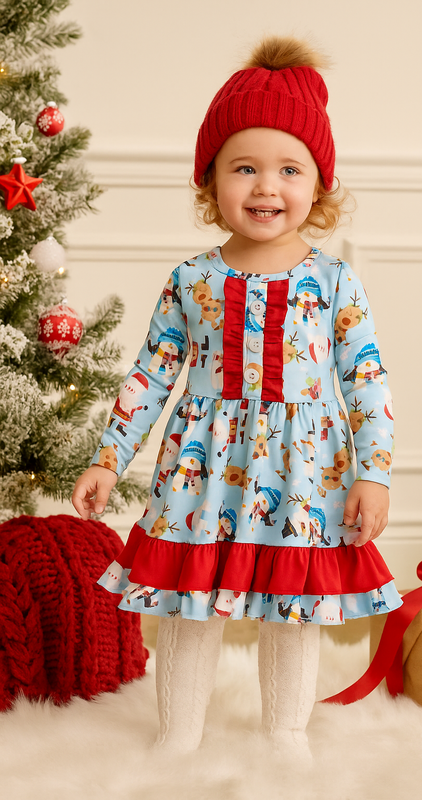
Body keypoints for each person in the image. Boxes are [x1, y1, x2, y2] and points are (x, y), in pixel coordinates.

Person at [72, 35, 402, 760]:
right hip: (201, 471)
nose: (265, 187)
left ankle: (284, 731)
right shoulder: (191, 280)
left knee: (293, 609)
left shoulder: (333, 282)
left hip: (303, 474)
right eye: (243, 168)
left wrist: (373, 473)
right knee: (187, 607)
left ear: (317, 184)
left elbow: (365, 380)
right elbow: (150, 375)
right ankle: (178, 732)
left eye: (288, 169)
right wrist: (108, 459)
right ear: (210, 182)